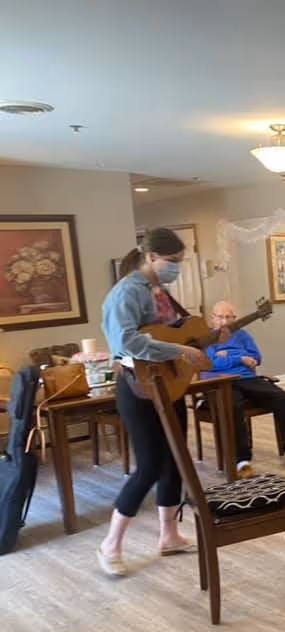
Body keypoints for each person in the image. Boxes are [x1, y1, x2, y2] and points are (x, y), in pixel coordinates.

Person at [97, 227, 208, 577]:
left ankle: (169, 535)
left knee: (175, 458)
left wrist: (198, 340)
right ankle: (110, 543)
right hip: (137, 388)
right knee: (149, 464)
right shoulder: (125, 293)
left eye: (179, 262)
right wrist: (179, 349)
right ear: (150, 257)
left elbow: (173, 331)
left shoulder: (158, 290)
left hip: (167, 385)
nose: (176, 268)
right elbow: (127, 342)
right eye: (171, 262)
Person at [201, 301, 285, 479]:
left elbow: (257, 357)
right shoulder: (206, 339)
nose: (224, 321)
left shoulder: (242, 335)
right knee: (233, 406)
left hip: (248, 379)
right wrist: (240, 358)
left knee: (282, 397)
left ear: (235, 319)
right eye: (220, 317)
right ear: (213, 319)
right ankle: (242, 462)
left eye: (228, 317)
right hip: (221, 383)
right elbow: (210, 363)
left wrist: (229, 356)